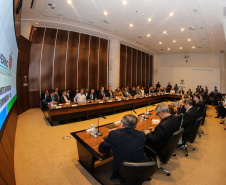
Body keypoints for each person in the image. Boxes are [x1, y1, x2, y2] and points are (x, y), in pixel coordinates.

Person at [99, 114, 149, 179]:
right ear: (136, 125)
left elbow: (102, 149)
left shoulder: (114, 133)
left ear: (122, 124)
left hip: (122, 167)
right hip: (139, 166)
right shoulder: (142, 135)